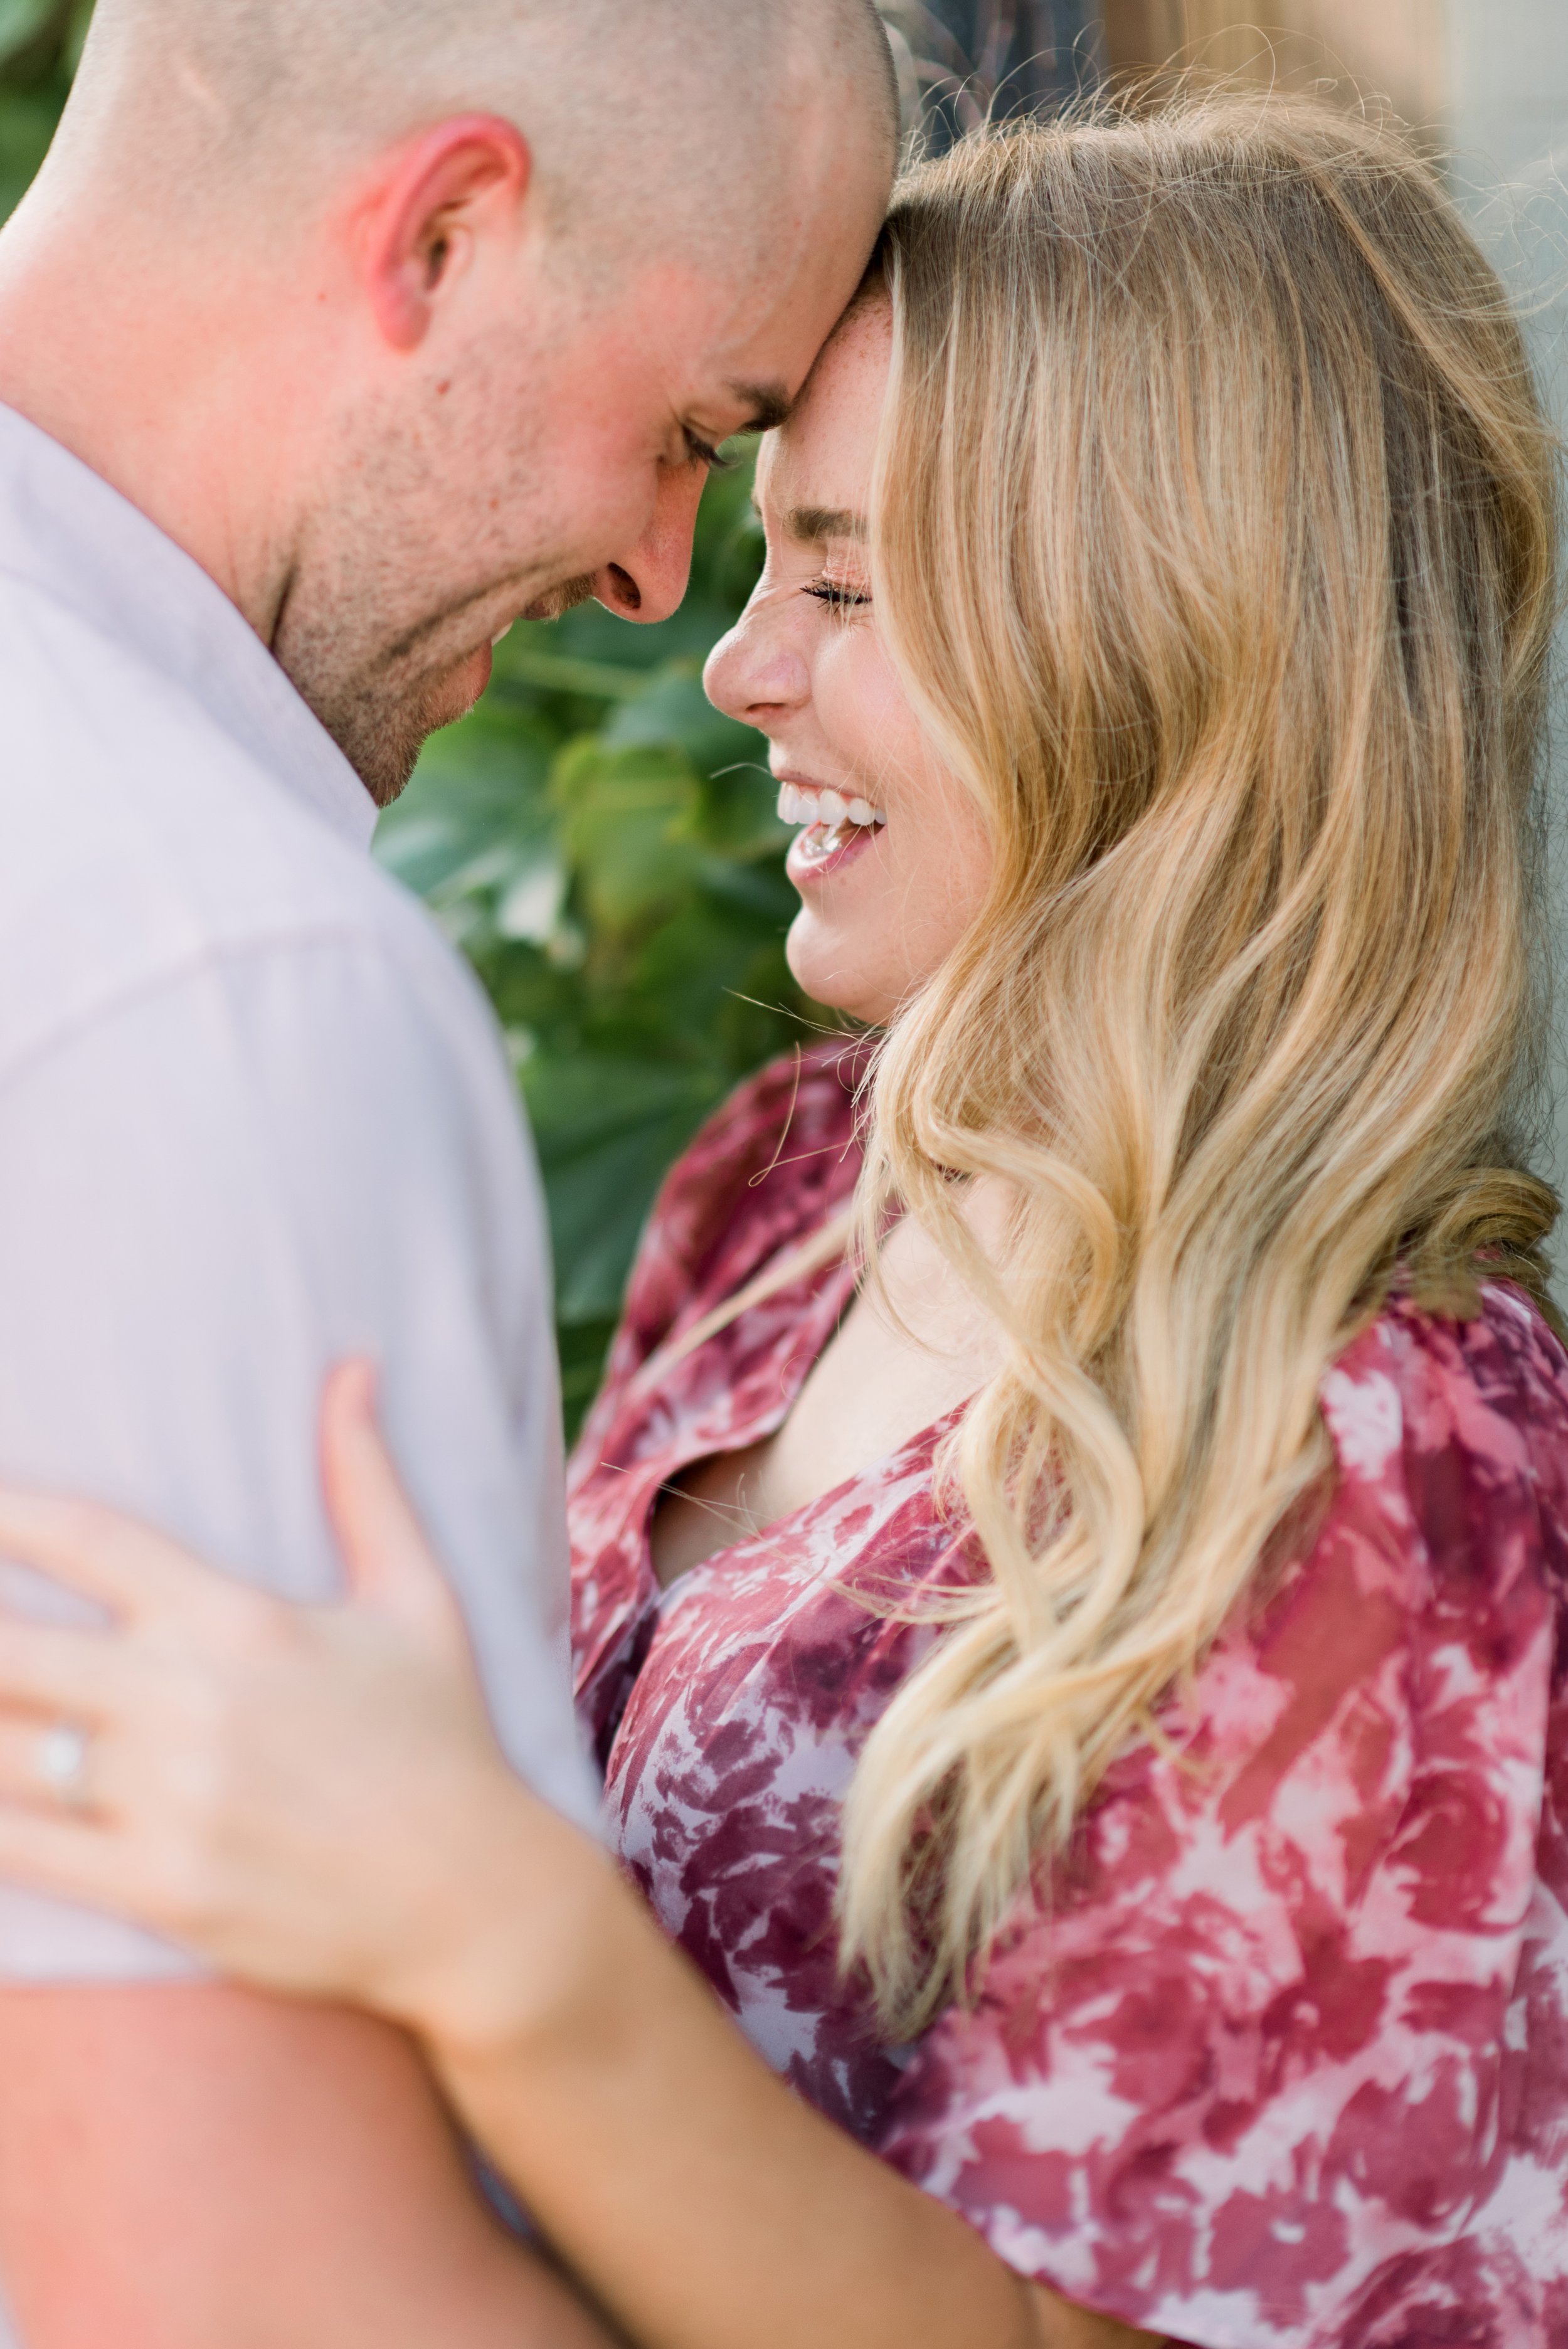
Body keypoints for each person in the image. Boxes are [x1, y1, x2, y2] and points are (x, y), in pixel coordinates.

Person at [0, 89, 1565, 2349]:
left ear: (1156, 635)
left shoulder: (1393, 1467)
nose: (735, 665)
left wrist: (499, 1935)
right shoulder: (789, 1197)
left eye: (839, 579)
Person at [0, 0, 896, 2341]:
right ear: (445, 228)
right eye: (698, 433)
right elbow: (238, 2299)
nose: (658, 583)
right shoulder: (223, 987)